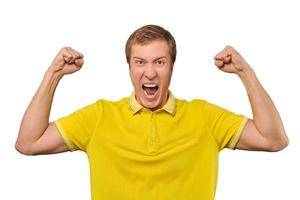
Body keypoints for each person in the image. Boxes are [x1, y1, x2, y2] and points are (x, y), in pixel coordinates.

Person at [16, 24, 289, 200]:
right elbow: (29, 142)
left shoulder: (204, 117)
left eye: (160, 62)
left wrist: (246, 73)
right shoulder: (99, 117)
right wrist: (53, 75)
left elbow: (273, 139)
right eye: (140, 62)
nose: (149, 72)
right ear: (130, 67)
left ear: (171, 67)